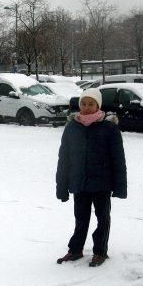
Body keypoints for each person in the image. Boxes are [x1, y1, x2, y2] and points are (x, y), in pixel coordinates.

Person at [55, 88, 127, 267]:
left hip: (102, 183)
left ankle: (100, 251)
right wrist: (62, 186)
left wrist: (120, 186)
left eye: (91, 104)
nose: (87, 107)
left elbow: (118, 159)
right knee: (80, 218)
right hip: (79, 182)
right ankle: (75, 250)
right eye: (83, 103)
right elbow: (64, 158)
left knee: (103, 218)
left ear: (98, 105)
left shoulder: (109, 128)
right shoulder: (72, 127)